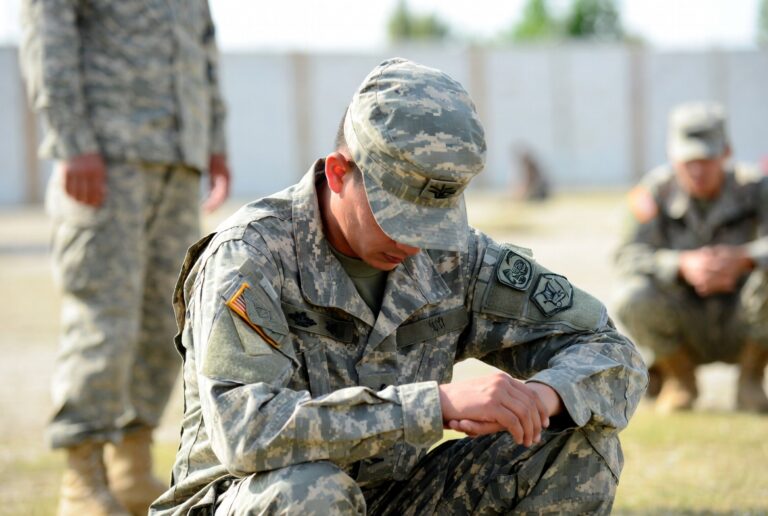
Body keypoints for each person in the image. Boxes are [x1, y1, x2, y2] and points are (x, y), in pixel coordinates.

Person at [151, 58, 646, 516]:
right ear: (339, 172)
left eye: (434, 221)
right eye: (398, 216)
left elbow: (611, 351)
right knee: (313, 492)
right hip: (247, 497)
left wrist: (541, 397)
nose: (414, 243)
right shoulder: (250, 256)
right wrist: (438, 405)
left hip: (388, 497)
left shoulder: (455, 257)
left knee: (576, 444)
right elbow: (246, 430)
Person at [19, 1, 230, 514]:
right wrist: (72, 141)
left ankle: (130, 464)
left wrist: (214, 142)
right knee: (103, 320)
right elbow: (48, 27)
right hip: (106, 159)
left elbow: (202, 47)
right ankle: (82, 476)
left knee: (170, 322)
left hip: (177, 159)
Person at [614, 101, 768, 414]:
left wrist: (746, 259)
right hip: (686, 319)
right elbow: (626, 256)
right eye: (688, 160)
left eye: (706, 158)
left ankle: (751, 378)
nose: (697, 170)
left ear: (726, 153)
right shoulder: (653, 193)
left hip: (745, 318)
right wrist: (681, 265)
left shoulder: (757, 188)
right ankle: (678, 378)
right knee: (631, 296)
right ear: (672, 156)